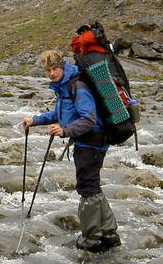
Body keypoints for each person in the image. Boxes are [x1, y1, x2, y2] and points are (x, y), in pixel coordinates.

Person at [21, 49, 121, 253]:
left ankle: (91, 239)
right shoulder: (65, 86)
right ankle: (109, 234)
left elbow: (89, 119)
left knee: (86, 188)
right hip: (88, 141)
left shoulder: (78, 85)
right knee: (92, 186)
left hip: (92, 142)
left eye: (54, 68)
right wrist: (35, 120)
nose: (51, 73)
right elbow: (62, 113)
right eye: (48, 70)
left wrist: (65, 131)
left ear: (62, 65)